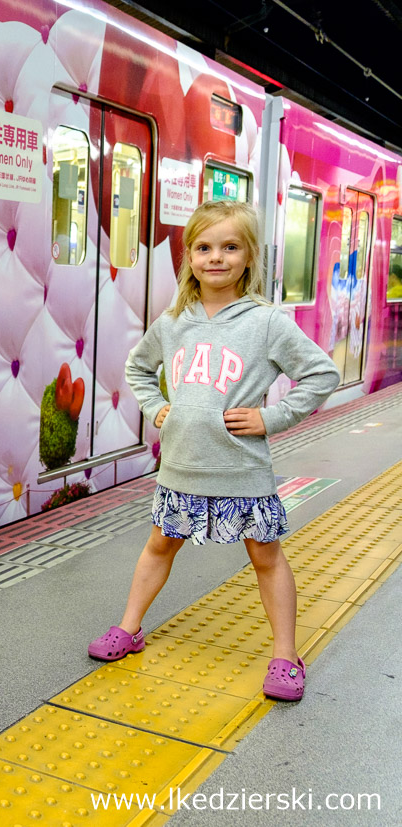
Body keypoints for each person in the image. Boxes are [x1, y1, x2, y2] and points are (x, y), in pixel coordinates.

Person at [88, 200, 339, 703]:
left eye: (230, 247)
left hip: (242, 469)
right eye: (204, 247)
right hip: (180, 467)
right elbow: (138, 368)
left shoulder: (267, 322)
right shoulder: (174, 320)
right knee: (159, 545)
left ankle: (286, 656)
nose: (216, 258)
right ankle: (129, 628)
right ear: (190, 257)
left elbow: (322, 373)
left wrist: (272, 418)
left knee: (266, 558)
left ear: (249, 258)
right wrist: (157, 406)